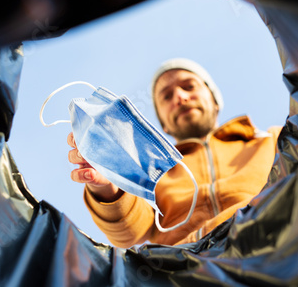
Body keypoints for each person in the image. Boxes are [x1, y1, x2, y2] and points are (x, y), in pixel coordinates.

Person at [67, 58, 282, 247]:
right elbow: (130, 234)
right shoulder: (152, 173)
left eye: (189, 86)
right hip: (187, 273)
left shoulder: (273, 140)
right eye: (167, 97)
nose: (179, 96)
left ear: (215, 101)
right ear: (164, 125)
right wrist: (110, 185)